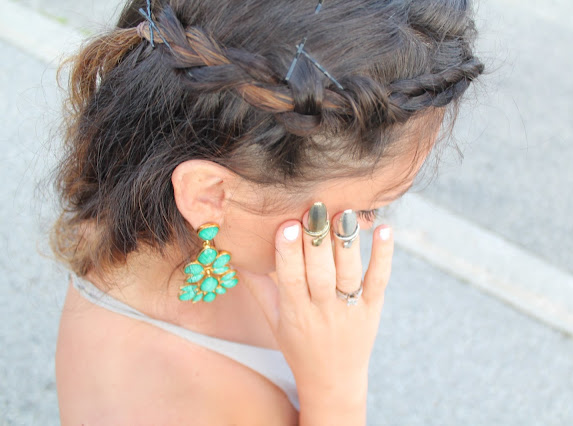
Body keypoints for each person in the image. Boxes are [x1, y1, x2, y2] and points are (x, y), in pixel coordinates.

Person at [52, 0, 484, 424]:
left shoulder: (159, 212)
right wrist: (336, 389)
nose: (366, 228)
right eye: (367, 208)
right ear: (210, 196)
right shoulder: (164, 406)